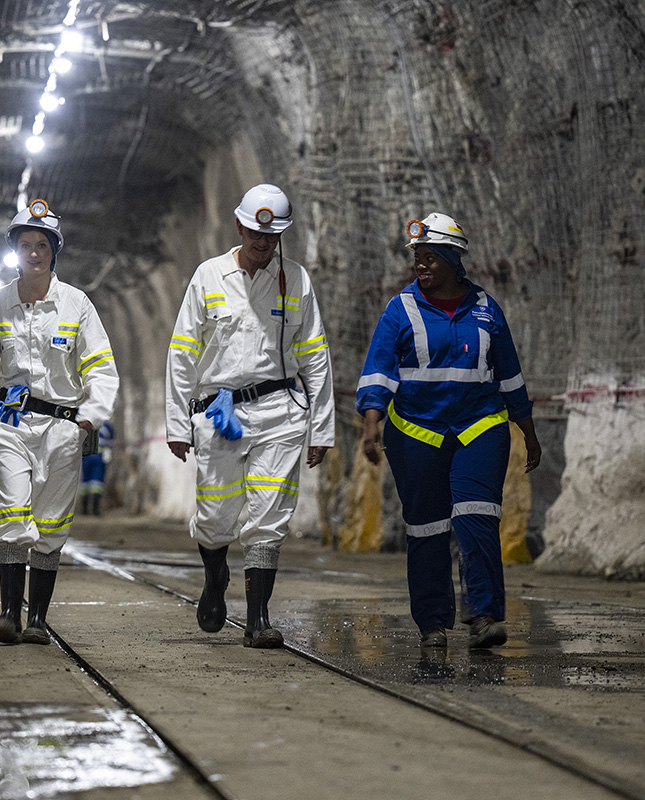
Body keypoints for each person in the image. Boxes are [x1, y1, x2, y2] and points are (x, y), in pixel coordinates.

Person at [356, 213, 542, 649]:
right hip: (417, 433)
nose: (421, 264)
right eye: (417, 257)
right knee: (427, 528)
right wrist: (371, 423)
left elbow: (510, 376)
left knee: (478, 518)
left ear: (453, 259)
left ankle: (484, 616)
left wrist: (528, 432)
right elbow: (379, 370)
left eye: (430, 257)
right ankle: (432, 621)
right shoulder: (400, 309)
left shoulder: (485, 309)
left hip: (480, 427)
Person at [165, 184, 335, 649]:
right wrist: (177, 423)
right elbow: (181, 354)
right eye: (257, 234)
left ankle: (259, 619)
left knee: (268, 515)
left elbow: (315, 356)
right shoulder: (208, 276)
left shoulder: (295, 280)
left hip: (280, 410)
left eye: (273, 236)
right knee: (216, 517)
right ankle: (215, 575)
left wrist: (322, 426)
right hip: (218, 413)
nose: (264, 243)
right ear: (239, 226)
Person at [0, 199, 119, 645]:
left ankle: (38, 620)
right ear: (15, 250)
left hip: (63, 428)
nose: (34, 252)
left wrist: (92, 415)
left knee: (51, 522)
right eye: (26, 244)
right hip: (11, 423)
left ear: (53, 251)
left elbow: (101, 367)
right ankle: (8, 613)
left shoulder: (76, 304)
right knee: (13, 509)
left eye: (42, 244)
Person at [80, 421, 115, 515]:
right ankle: (95, 510)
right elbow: (111, 442)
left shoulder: (85, 423)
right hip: (99, 457)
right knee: (97, 483)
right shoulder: (106, 426)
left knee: (85, 483)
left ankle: (84, 510)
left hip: (86, 456)